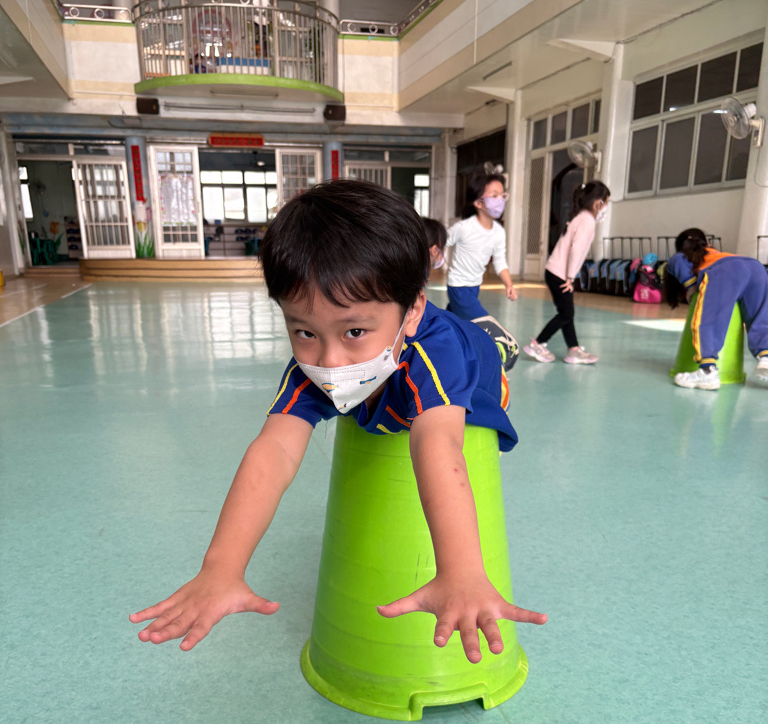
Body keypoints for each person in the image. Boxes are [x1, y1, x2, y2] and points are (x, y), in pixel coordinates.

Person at [130, 181, 547, 664]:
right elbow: (274, 450)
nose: (328, 360)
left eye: (354, 331)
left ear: (412, 310)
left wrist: (462, 572)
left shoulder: (437, 355)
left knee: (471, 388)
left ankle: (499, 345)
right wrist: (221, 568)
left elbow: (437, 445)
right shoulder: (311, 366)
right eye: (304, 331)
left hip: (476, 365)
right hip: (398, 366)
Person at [667, 227, 768, 390]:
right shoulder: (716, 253)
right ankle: (766, 356)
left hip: (727, 271)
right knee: (761, 315)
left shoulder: (682, 256)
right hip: (756, 267)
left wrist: (692, 289)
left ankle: (707, 371)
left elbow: (676, 261)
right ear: (707, 243)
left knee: (710, 317)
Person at [523, 180, 610, 365]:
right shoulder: (587, 220)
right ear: (598, 202)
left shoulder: (581, 217)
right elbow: (576, 251)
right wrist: (570, 277)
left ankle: (573, 349)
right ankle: (537, 344)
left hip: (554, 272)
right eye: (606, 202)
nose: (606, 208)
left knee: (566, 312)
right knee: (566, 314)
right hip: (560, 275)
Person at [445, 165, 520, 370]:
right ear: (479, 202)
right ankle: (495, 368)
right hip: (459, 287)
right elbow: (441, 243)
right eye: (494, 195)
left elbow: (500, 261)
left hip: (474, 287)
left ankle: (443, 354)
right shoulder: (463, 228)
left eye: (502, 195)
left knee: (451, 322)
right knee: (486, 326)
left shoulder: (498, 232)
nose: (500, 200)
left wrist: (509, 284)